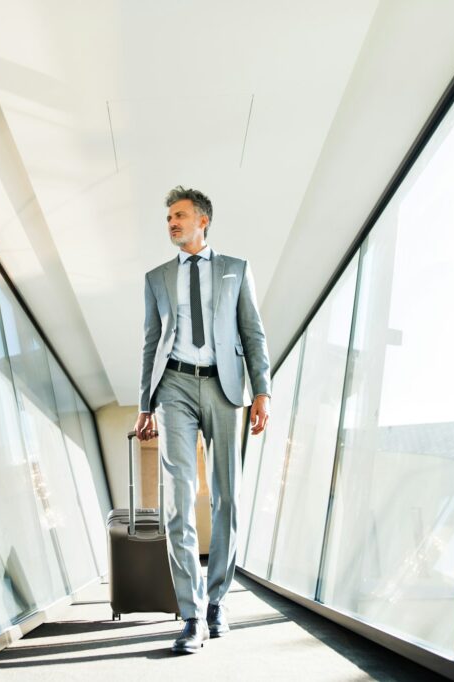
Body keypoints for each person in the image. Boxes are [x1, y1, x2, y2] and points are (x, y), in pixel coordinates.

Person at [135, 186, 271, 654]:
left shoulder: (236, 270)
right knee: (178, 499)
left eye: (179, 215)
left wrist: (262, 391)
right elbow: (151, 342)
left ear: (203, 221)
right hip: (173, 385)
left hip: (225, 387)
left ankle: (217, 602)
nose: (171, 223)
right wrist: (145, 404)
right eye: (168, 217)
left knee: (227, 496)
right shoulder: (156, 278)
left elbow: (252, 331)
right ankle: (190, 613)